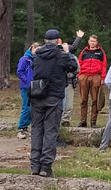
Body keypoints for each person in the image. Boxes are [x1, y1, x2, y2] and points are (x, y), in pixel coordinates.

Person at [30, 29, 78, 178]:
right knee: (50, 131)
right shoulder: (60, 55)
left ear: (45, 40)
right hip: (54, 97)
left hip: (37, 95)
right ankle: (46, 166)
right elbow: (73, 67)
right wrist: (67, 52)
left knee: (36, 130)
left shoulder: (37, 54)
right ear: (58, 41)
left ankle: (34, 166)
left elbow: (34, 68)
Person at [76, 33, 108, 128]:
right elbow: (79, 63)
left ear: (97, 42)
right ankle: (83, 120)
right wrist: (79, 75)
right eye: (91, 41)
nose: (92, 43)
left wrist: (102, 78)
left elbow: (104, 65)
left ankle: (93, 121)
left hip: (95, 76)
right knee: (83, 100)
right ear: (88, 42)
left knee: (95, 100)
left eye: (94, 41)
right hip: (84, 76)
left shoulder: (100, 52)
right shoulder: (84, 51)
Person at [15, 41, 40, 139]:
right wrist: (27, 81)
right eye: (36, 49)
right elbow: (19, 72)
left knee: (33, 108)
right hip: (26, 87)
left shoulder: (38, 60)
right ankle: (21, 128)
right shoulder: (24, 59)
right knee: (26, 107)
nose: (37, 51)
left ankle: (26, 127)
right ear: (32, 48)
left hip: (35, 87)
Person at [60, 31, 85, 127]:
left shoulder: (72, 57)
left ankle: (65, 121)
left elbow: (77, 69)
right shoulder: (58, 56)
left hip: (69, 82)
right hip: (59, 82)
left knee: (68, 104)